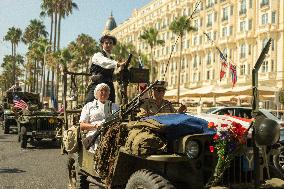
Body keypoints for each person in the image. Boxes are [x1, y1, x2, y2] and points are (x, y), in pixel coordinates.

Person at [85, 35, 126, 104]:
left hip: (109, 86)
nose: (108, 45)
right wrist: (118, 64)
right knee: (89, 104)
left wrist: (120, 72)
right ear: (102, 44)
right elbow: (104, 62)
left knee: (110, 106)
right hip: (97, 84)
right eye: (106, 43)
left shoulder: (112, 59)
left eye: (110, 43)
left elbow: (112, 76)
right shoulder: (98, 55)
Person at [79, 83, 119, 153]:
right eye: (101, 91)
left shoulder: (115, 107)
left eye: (106, 91)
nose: (104, 93)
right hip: (95, 133)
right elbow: (82, 125)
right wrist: (96, 126)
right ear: (96, 93)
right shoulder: (89, 106)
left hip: (113, 133)